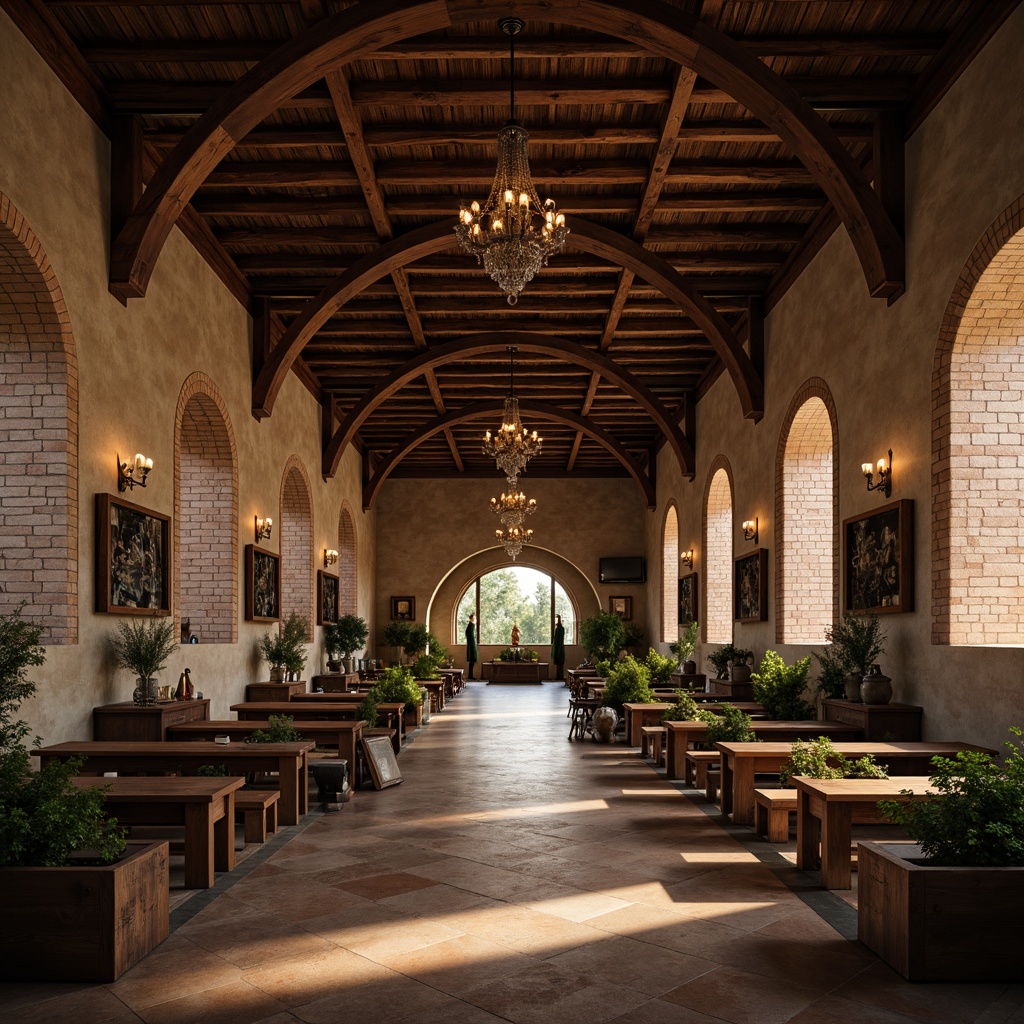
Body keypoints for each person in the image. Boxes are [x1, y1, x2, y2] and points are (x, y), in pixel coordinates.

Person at [552, 614, 565, 681]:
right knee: (559, 665)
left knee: (559, 664)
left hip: (559, 649)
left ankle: (559, 677)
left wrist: (558, 650)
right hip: (559, 649)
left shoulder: (559, 629)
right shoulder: (560, 629)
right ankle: (559, 677)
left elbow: (558, 640)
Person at [465, 613, 479, 680]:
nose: (475, 619)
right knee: (471, 661)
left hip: (472, 645)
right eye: (474, 618)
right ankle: (470, 676)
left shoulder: (472, 626)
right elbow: (470, 636)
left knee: (472, 662)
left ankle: (471, 675)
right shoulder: (470, 626)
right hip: (472, 646)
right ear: (471, 619)